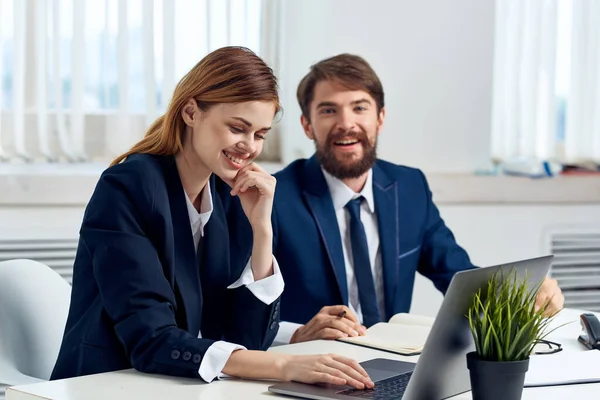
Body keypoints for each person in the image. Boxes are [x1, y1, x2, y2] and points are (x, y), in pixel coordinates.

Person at [50, 47, 374, 390]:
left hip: (172, 386)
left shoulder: (228, 193)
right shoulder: (128, 187)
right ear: (191, 112)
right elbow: (151, 340)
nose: (249, 146)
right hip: (105, 385)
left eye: (260, 134)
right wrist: (284, 364)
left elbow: (245, 338)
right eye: (238, 128)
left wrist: (261, 232)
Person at [240, 53, 565, 344]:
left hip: (389, 364)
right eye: (328, 110)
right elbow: (238, 315)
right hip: (309, 367)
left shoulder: (409, 187)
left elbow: (457, 275)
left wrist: (520, 295)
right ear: (307, 126)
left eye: (359, 107)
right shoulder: (274, 198)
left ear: (380, 118)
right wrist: (296, 334)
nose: (346, 123)